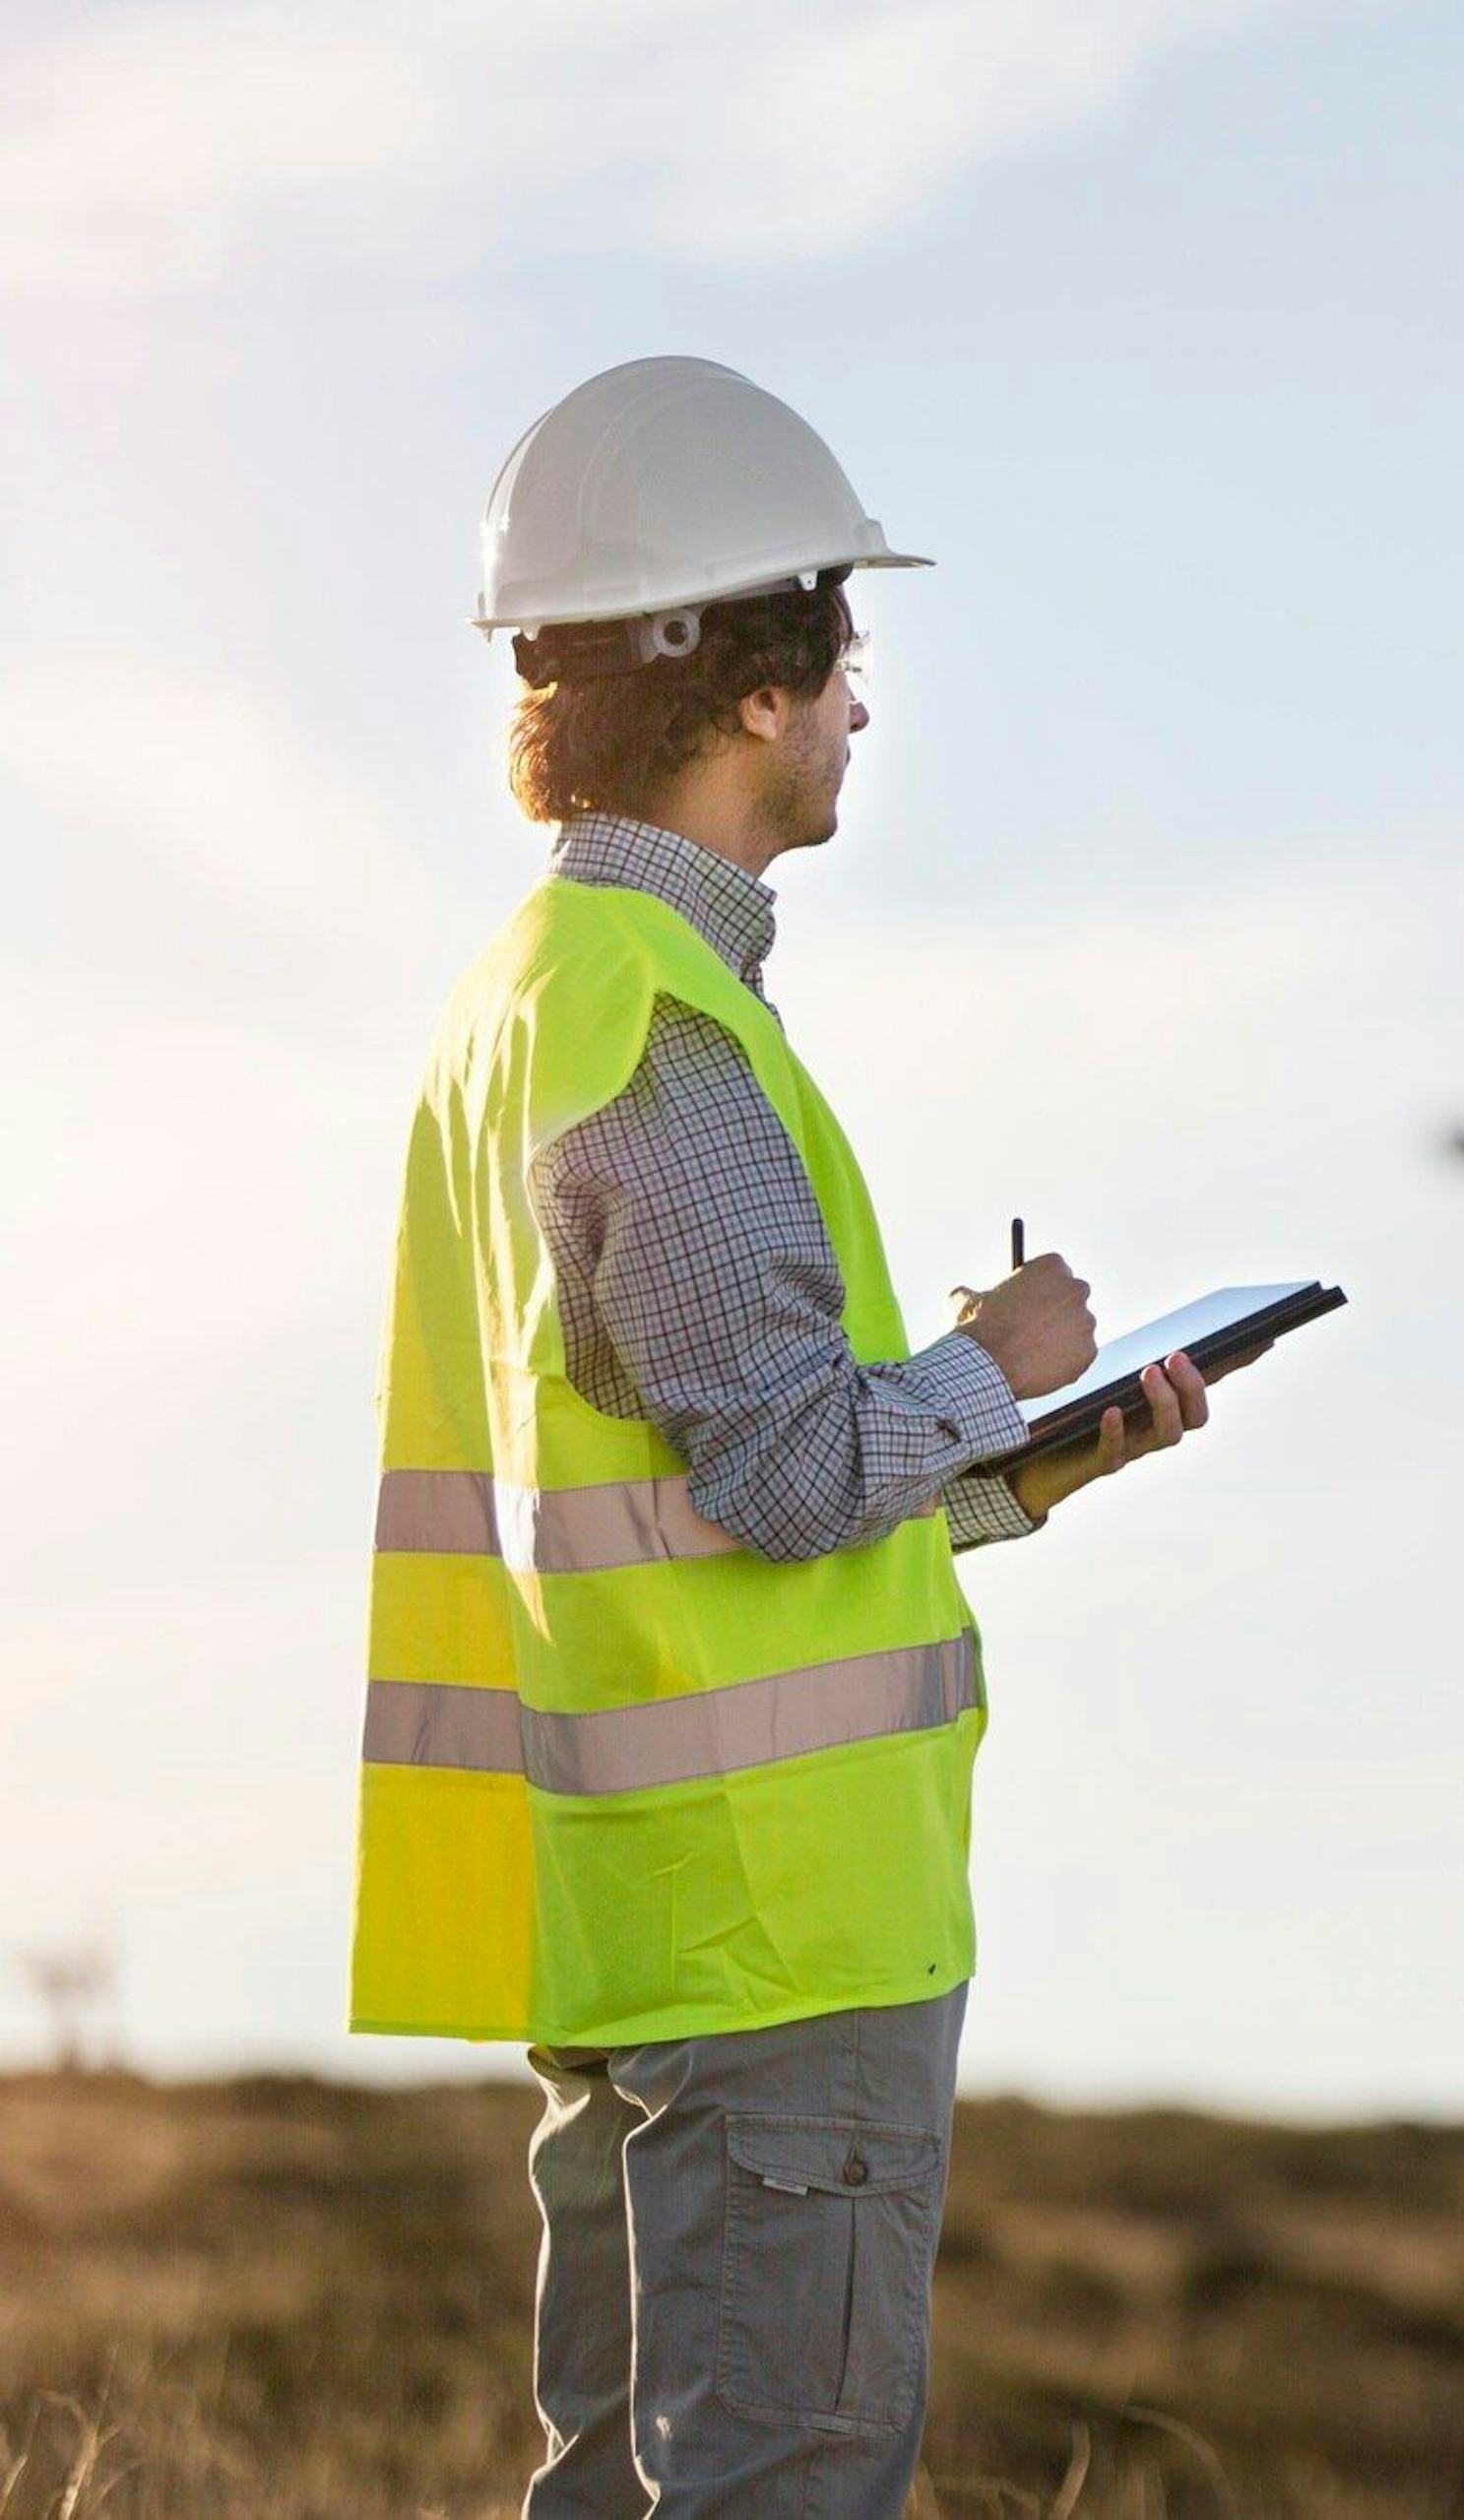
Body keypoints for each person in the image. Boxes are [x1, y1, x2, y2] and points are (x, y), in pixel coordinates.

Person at [350, 355, 1208, 2516]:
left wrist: (1025, 1462)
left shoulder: (525, 1001)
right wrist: (996, 1357)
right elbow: (782, 1468)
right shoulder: (660, 1026)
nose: (858, 712)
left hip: (647, 1937)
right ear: (749, 685)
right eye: (843, 659)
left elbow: (687, 1497)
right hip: (778, 1955)